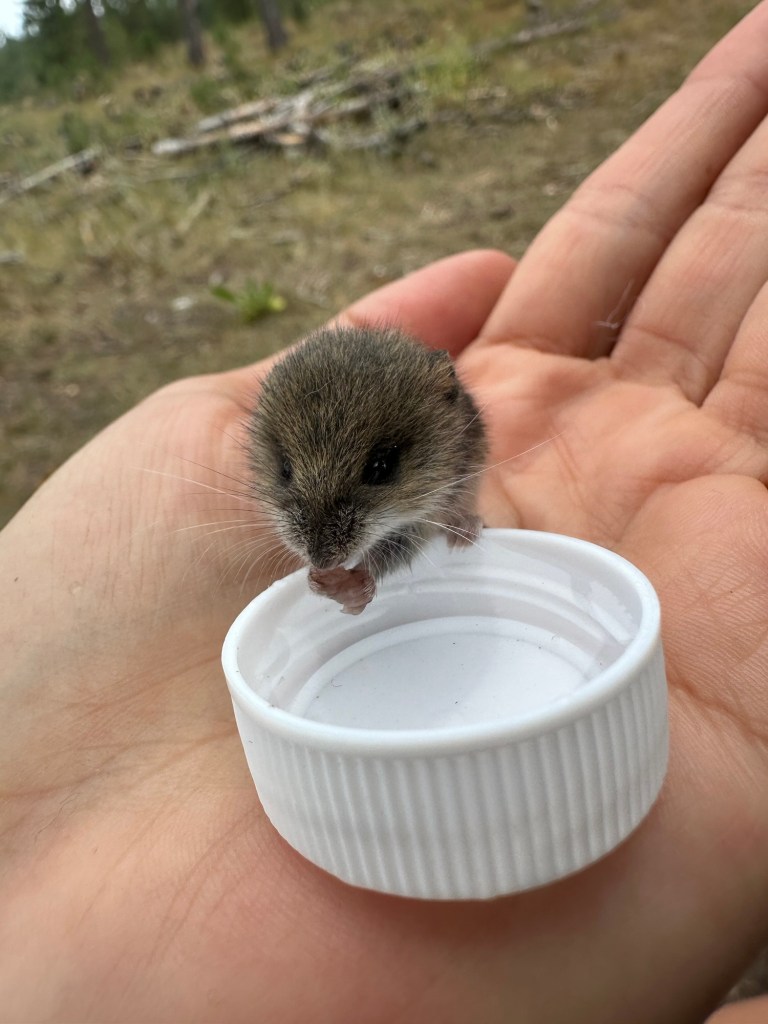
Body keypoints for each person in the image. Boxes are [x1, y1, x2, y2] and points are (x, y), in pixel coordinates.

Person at [2, 3, 768, 1020]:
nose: (318, 529)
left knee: (422, 523)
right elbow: (321, 525)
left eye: (372, 472)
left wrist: (439, 521)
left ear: (436, 425)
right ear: (266, 450)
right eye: (290, 484)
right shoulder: (287, 463)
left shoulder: (446, 423)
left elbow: (428, 496)